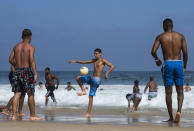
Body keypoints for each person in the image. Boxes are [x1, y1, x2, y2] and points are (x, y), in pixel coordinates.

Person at [151, 18, 188, 123]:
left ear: (164, 26)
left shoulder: (161, 37)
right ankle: (179, 112)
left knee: (168, 93)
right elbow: (185, 53)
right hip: (179, 63)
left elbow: (153, 51)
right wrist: (184, 67)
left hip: (168, 64)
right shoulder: (180, 36)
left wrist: (157, 60)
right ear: (172, 25)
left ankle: (171, 117)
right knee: (180, 91)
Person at [69, 48, 114, 117]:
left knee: (90, 96)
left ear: (100, 54)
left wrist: (106, 73)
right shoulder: (94, 60)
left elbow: (112, 66)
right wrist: (75, 61)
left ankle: (88, 113)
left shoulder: (103, 60)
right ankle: (83, 91)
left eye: (96, 53)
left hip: (97, 80)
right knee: (78, 78)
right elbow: (84, 62)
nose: (95, 55)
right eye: (94, 54)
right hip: (92, 78)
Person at [9, 29, 42, 120]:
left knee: (17, 93)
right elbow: (31, 60)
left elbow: (10, 59)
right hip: (26, 71)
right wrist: (35, 73)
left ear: (22, 36)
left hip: (17, 71)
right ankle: (32, 115)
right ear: (30, 36)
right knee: (30, 93)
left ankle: (14, 115)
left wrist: (17, 65)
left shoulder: (16, 47)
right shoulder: (30, 47)